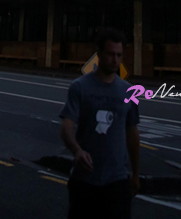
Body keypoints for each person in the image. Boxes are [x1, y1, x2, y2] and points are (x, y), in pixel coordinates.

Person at [60, 28, 140, 219]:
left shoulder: (129, 92)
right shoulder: (79, 87)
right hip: (85, 180)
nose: (115, 60)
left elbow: (132, 132)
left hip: (117, 180)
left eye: (119, 55)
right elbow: (67, 125)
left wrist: (136, 173)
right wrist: (77, 150)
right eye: (111, 54)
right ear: (99, 54)